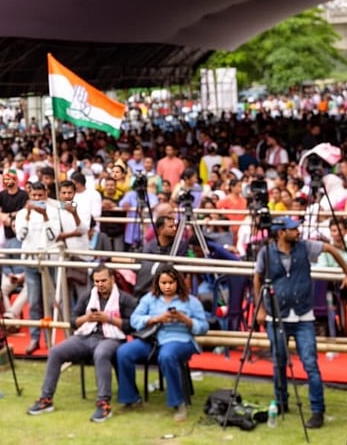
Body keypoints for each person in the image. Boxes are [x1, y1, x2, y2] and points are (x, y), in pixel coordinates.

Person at [254, 216, 347, 429]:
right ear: (281, 232)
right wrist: (260, 308)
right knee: (278, 362)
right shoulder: (265, 252)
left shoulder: (305, 246)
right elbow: (257, 277)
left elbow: (331, 249)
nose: (298, 231)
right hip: (276, 315)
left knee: (310, 363)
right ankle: (281, 402)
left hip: (304, 317)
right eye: (293, 229)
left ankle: (317, 410)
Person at [28, 265, 138, 423]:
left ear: (112, 279)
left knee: (101, 354)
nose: (100, 284)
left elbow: (132, 326)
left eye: (103, 280)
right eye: (97, 281)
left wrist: (109, 319)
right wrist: (86, 318)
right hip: (86, 335)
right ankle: (46, 399)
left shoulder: (125, 299)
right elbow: (73, 321)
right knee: (56, 352)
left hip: (112, 338)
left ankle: (103, 404)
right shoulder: (88, 296)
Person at [117, 264, 208, 422]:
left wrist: (185, 320)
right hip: (152, 339)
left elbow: (203, 327)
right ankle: (131, 399)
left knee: (167, 355)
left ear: (178, 282)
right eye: (163, 283)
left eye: (171, 282)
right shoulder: (149, 299)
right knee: (124, 352)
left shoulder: (191, 301)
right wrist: (155, 319)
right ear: (157, 283)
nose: (167, 286)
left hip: (180, 339)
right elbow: (134, 320)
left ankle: (178, 403)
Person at [16, 181, 63, 355]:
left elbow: (53, 236)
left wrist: (45, 216)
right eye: (34, 196)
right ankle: (35, 338)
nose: (37, 199)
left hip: (49, 262)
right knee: (34, 302)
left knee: (50, 302)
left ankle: (51, 340)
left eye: (40, 196)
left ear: (46, 194)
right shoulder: (22, 213)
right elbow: (21, 236)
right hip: (30, 262)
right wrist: (28, 215)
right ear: (29, 196)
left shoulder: (54, 212)